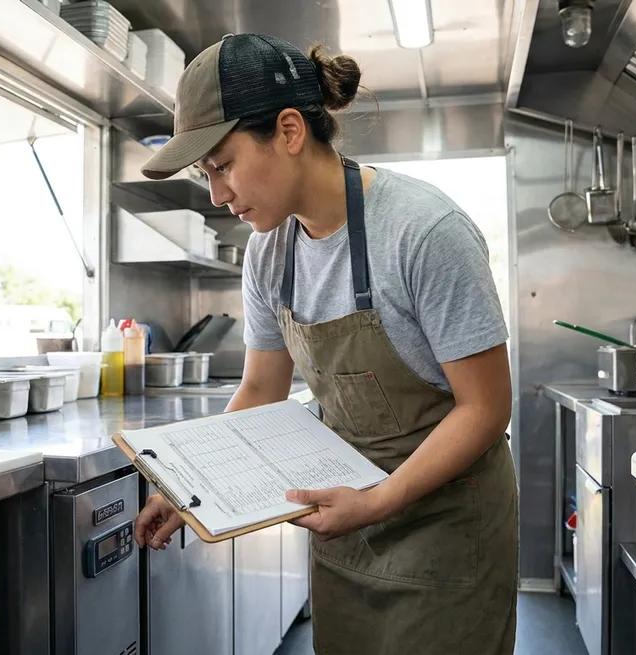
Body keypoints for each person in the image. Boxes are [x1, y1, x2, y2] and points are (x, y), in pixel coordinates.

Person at [134, 33, 519, 655]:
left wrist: (379, 500)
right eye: (206, 175)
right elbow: (261, 388)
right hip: (346, 531)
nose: (217, 195)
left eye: (224, 165)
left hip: (447, 532)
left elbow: (485, 407)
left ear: (289, 131)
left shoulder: (424, 232)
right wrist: (188, 488)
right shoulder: (268, 250)